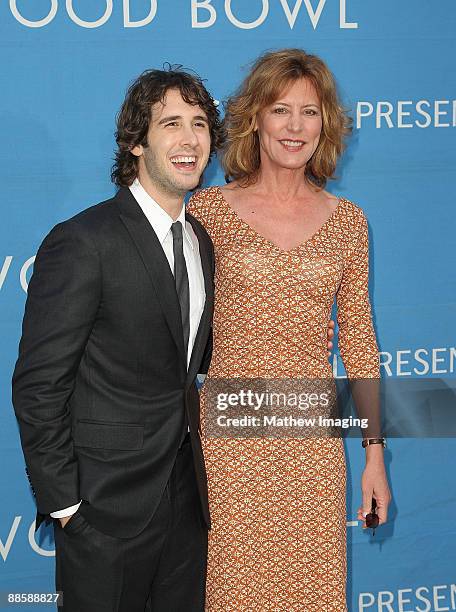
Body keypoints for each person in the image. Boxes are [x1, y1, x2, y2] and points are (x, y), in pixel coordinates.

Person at [12, 68, 223, 612]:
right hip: (104, 512)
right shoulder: (84, 241)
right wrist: (66, 507)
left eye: (199, 124)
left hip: (184, 504)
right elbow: (39, 383)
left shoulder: (199, 240)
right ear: (136, 142)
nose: (190, 139)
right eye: (170, 123)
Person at [187, 48, 391, 610]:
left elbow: (360, 342)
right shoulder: (206, 213)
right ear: (255, 117)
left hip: (312, 446)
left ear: (326, 123)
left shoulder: (348, 222)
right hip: (229, 445)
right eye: (281, 110)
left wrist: (374, 454)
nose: (295, 127)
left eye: (310, 111)